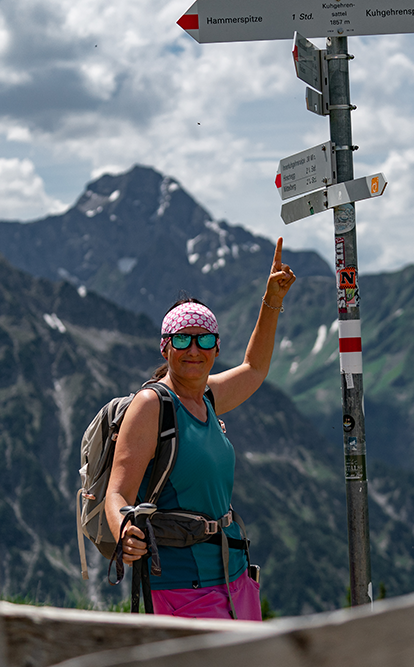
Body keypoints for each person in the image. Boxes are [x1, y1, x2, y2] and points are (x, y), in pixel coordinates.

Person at [104, 238, 296, 620]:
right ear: (165, 347)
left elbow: (255, 369)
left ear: (216, 348)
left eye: (204, 339)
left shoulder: (206, 397)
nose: (194, 349)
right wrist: (124, 530)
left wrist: (271, 299)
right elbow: (117, 492)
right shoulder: (152, 406)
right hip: (181, 585)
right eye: (182, 339)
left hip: (232, 576)